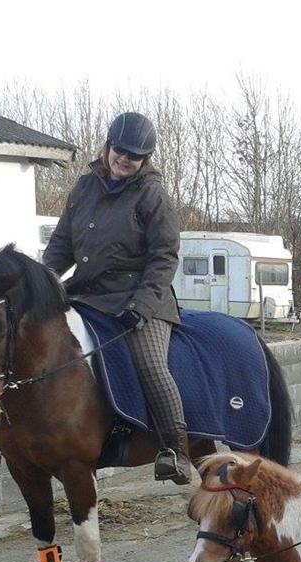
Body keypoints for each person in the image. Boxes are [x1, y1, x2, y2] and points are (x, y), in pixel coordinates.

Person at [42, 111, 193, 485]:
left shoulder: (152, 195)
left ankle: (176, 451)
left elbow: (164, 257)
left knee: (150, 364)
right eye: (119, 151)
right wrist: (44, 279)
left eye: (134, 156)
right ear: (108, 146)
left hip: (142, 300)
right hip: (88, 293)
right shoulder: (83, 188)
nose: (124, 159)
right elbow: (62, 243)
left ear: (145, 160)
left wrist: (141, 306)